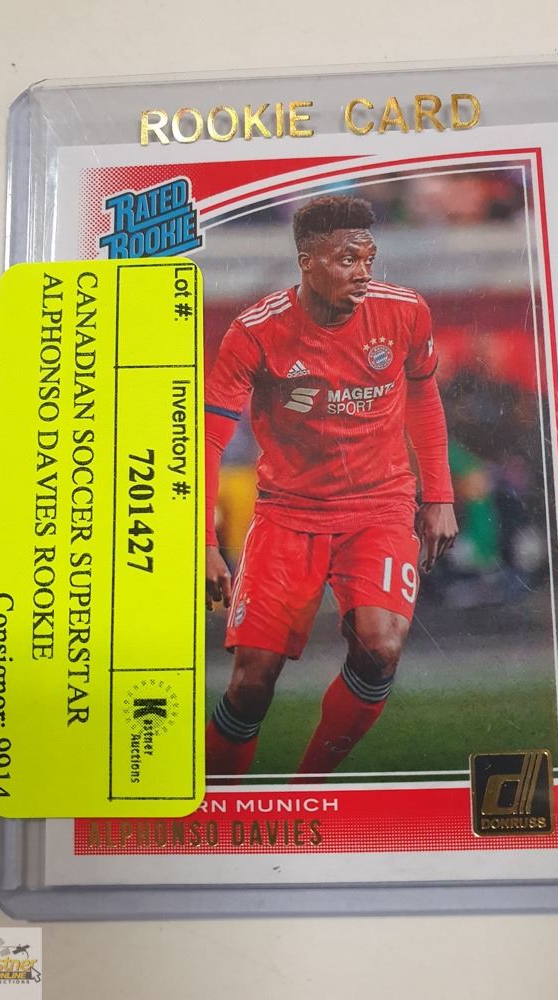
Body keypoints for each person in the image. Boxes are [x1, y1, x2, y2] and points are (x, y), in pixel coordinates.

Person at [204, 194, 458, 782]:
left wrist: (439, 495)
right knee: (251, 682)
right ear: (306, 262)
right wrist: (204, 544)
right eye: (347, 260)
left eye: (369, 258)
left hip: (380, 507)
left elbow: (423, 394)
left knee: (381, 646)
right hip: (286, 513)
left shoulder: (405, 313)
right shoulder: (255, 332)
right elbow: (209, 442)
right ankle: (217, 802)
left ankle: (308, 786)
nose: (364, 272)